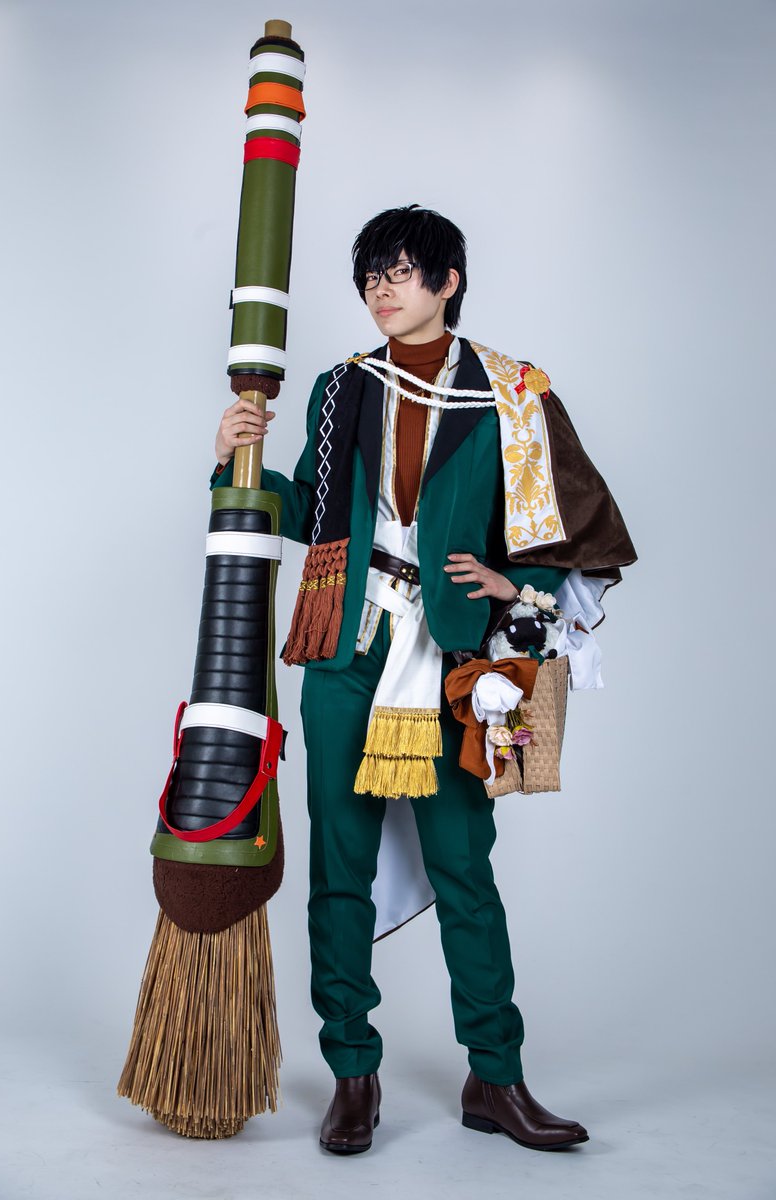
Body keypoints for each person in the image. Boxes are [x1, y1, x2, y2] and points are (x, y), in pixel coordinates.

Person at [210, 205, 636, 1155]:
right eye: (370, 276)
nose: (381, 290)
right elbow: (312, 513)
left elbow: (573, 529)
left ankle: (497, 1078)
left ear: (449, 281)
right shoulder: (340, 389)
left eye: (400, 272)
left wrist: (513, 584)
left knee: (464, 867)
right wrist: (236, 459)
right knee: (339, 870)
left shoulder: (513, 393)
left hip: (451, 659)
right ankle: (352, 1074)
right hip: (344, 645)